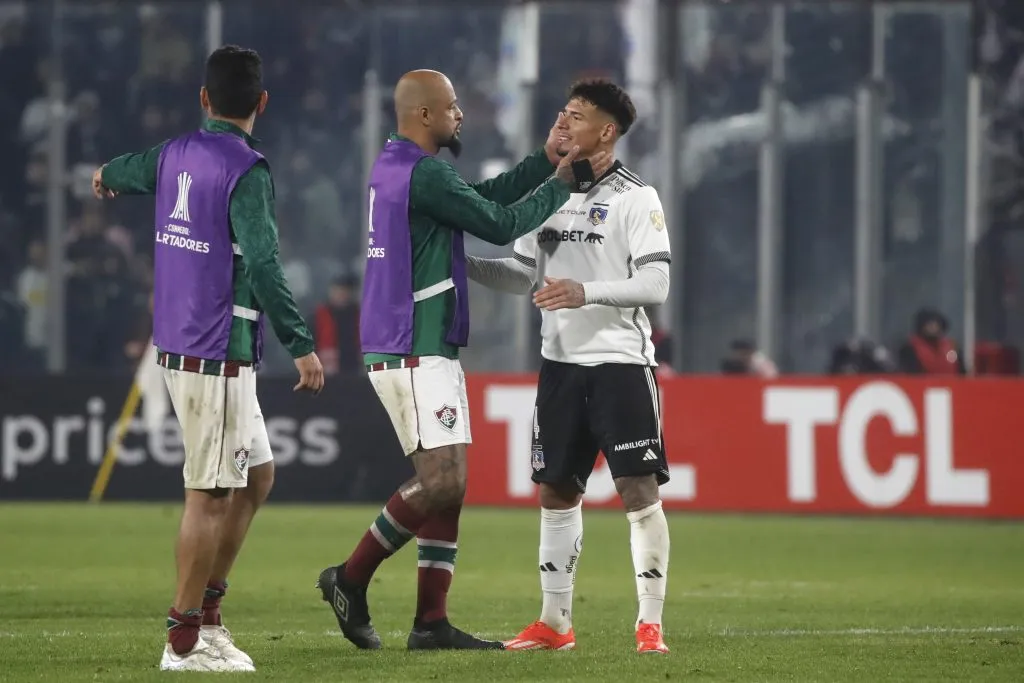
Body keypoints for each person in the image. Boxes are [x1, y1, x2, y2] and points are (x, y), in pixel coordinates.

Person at [315, 69, 610, 651]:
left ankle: (431, 623)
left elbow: (481, 199)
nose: (460, 115)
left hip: (419, 342)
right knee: (442, 482)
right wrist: (562, 182)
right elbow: (499, 225)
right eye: (451, 106)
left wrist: (540, 162)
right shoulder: (423, 174)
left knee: (449, 486)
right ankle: (349, 577)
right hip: (414, 343)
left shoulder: (400, 166)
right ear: (424, 114)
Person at [92, 45, 324, 672]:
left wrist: (105, 174)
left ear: (203, 99)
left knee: (257, 477)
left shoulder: (174, 154)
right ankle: (183, 640)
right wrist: (301, 344)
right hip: (215, 350)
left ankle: (209, 614)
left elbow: (127, 168)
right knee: (211, 493)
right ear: (262, 103)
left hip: (181, 343)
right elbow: (265, 263)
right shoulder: (247, 169)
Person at [465, 79, 672, 654]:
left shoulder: (636, 197)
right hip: (559, 365)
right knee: (556, 492)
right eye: (562, 112)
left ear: (605, 132)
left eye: (576, 116)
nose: (562, 122)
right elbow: (521, 274)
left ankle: (649, 625)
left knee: (637, 490)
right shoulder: (548, 191)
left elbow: (656, 283)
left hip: (620, 365)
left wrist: (586, 292)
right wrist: (461, 262)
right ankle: (555, 623)